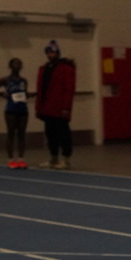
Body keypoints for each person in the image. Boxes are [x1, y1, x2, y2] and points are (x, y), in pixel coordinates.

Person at [35, 40, 76, 170]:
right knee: (50, 134)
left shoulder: (66, 69)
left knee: (63, 134)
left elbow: (69, 89)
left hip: (59, 108)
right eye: (48, 52)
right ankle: (53, 158)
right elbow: (40, 89)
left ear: (57, 53)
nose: (50, 54)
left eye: (52, 52)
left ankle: (66, 159)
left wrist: (66, 107)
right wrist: (39, 107)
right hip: (47, 108)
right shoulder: (44, 69)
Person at [0, 58, 30, 169]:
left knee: (22, 133)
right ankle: (10, 159)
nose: (17, 66)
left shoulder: (24, 81)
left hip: (23, 109)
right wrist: (2, 94)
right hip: (11, 109)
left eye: (19, 64)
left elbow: (25, 93)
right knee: (11, 132)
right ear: (10, 66)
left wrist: (27, 95)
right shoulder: (5, 80)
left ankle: (21, 159)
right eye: (15, 64)